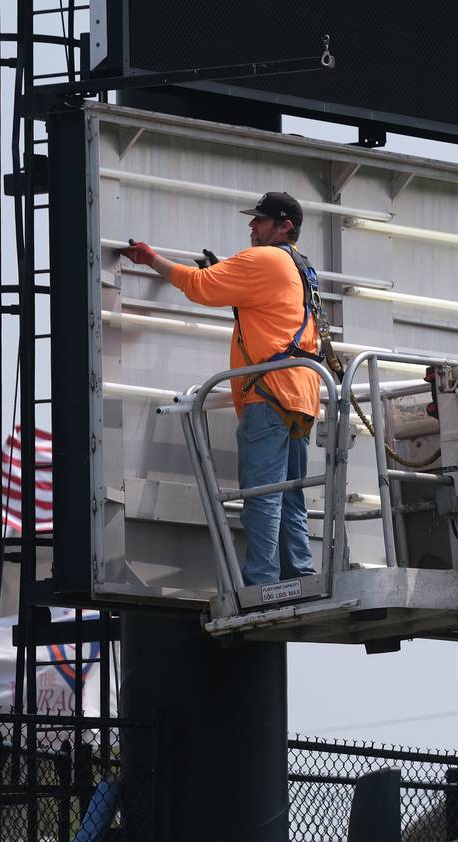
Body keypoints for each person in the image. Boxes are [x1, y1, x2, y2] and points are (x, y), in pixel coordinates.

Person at [124, 192, 321, 587]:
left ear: (286, 226)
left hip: (268, 395)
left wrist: (152, 260)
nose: (253, 227)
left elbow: (198, 286)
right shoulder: (301, 267)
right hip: (301, 393)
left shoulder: (263, 259)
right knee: (289, 495)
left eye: (262, 221)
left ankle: (263, 583)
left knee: (263, 494)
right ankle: (299, 573)